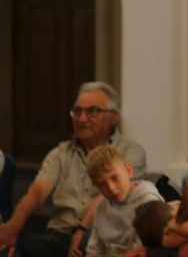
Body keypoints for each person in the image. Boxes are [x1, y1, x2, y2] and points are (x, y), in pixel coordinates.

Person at [0, 82, 147, 257]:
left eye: (92, 111)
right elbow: (37, 193)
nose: (82, 119)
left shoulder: (130, 151)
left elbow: (106, 194)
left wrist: (82, 230)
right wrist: (12, 229)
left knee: (87, 243)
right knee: (10, 245)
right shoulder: (60, 153)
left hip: (100, 238)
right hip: (59, 238)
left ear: (113, 117)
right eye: (77, 111)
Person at [83, 146, 162, 257]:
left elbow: (142, 250)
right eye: (102, 184)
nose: (111, 188)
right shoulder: (102, 208)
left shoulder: (148, 201)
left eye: (115, 178)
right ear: (95, 186)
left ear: (128, 170)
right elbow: (94, 250)